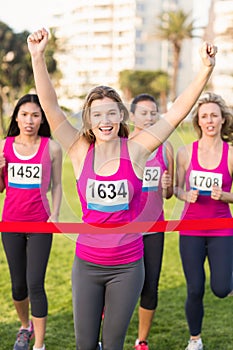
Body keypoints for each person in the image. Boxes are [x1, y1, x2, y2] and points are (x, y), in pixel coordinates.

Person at [27, 27, 217, 350]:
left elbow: (176, 112)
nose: (105, 120)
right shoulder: (78, 150)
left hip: (128, 266)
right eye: (97, 114)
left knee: (113, 344)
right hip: (86, 264)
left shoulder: (137, 150)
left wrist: (205, 70)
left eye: (111, 113)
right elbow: (50, 106)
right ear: (88, 119)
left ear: (120, 116)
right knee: (85, 344)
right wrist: (37, 56)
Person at [0, 94, 63, 350]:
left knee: (35, 283)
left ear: (42, 119)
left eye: (35, 115)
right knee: (18, 286)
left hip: (40, 225)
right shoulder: (3, 146)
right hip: (11, 225)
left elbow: (58, 184)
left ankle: (39, 344)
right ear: (16, 117)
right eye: (25, 115)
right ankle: (24, 326)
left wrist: (55, 215)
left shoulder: (52, 147)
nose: (30, 120)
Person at [174, 92, 233, 350]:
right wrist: (184, 193)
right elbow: (175, 188)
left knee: (221, 289)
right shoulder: (185, 153)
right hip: (191, 230)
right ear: (198, 121)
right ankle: (195, 340)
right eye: (204, 116)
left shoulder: (231, 154)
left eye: (214, 116)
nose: (209, 120)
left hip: (221, 229)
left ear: (223, 120)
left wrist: (227, 196)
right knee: (195, 288)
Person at [129, 94, 174, 350]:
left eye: (153, 113)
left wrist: (167, 187)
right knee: (121, 283)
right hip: (125, 228)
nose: (149, 118)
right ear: (133, 116)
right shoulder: (122, 145)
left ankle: (141, 340)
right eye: (143, 113)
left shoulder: (165, 148)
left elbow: (167, 194)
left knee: (151, 284)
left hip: (154, 227)